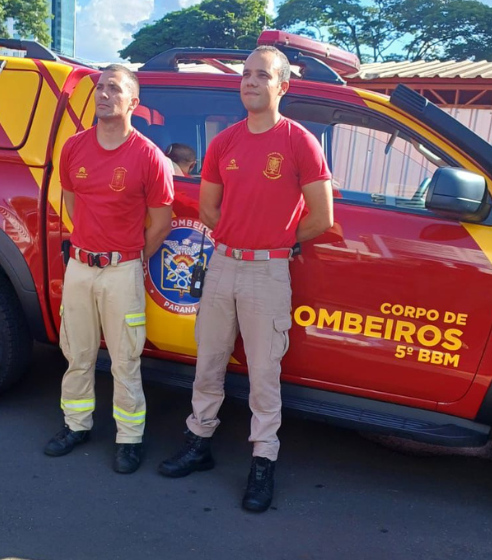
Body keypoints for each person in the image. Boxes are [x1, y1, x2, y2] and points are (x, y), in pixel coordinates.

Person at [157, 46, 334, 512]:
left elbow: (323, 216)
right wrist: (235, 239)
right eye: (246, 75)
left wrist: (280, 241)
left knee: (263, 375)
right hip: (222, 265)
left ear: (282, 86)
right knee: (208, 363)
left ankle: (263, 462)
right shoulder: (225, 143)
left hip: (268, 270)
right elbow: (210, 208)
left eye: (262, 75)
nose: (250, 82)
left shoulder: (298, 141)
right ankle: (199, 443)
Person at [44, 64, 175, 474]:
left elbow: (162, 222)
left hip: (123, 272)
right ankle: (76, 425)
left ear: (133, 102)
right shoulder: (74, 148)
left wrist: (128, 253)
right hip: (80, 268)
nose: (103, 94)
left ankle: (129, 438)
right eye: (100, 87)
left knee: (124, 360)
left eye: (114, 89)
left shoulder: (148, 157)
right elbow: (70, 201)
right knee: (77, 354)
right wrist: (90, 243)